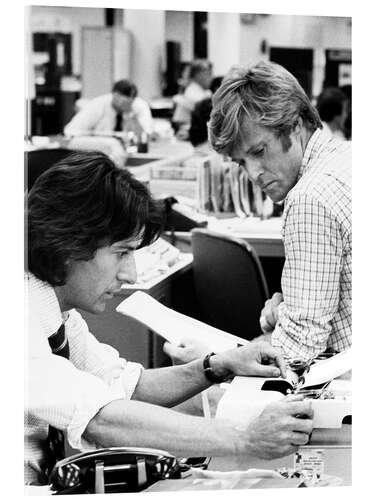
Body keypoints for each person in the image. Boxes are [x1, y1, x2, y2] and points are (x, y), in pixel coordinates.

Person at [25, 151, 313, 486]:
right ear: (67, 244)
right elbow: (99, 419)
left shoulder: (56, 308)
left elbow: (124, 386)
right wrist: (243, 437)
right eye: (121, 253)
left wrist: (216, 365)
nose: (130, 274)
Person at [208, 61, 351, 361]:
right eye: (241, 162)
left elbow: (299, 350)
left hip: (346, 385)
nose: (254, 173)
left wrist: (215, 361)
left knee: (192, 396)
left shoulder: (310, 197)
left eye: (259, 152)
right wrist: (290, 308)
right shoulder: (347, 156)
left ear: (295, 125)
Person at [64, 79, 153, 137]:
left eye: (130, 101)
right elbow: (70, 131)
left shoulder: (139, 106)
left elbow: (146, 136)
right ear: (114, 95)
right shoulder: (98, 104)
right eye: (123, 101)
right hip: (100, 147)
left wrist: (132, 116)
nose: (125, 105)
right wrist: (97, 135)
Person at [172, 59, 213, 138]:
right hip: (188, 133)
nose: (211, 78)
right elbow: (208, 113)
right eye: (209, 74)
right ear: (199, 75)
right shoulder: (193, 91)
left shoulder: (202, 91)